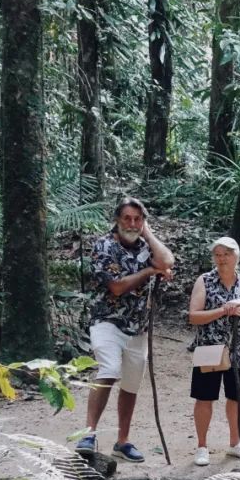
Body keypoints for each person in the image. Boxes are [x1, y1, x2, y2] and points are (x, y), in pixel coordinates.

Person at [76, 197, 175, 462]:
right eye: (127, 218)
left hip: (138, 327)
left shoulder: (145, 246)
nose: (131, 223)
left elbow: (167, 261)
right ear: (117, 220)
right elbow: (117, 287)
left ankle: (122, 441)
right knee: (109, 369)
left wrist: (148, 233)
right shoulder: (104, 245)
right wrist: (149, 272)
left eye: (137, 219)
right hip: (107, 321)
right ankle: (88, 433)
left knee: (131, 384)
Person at [188, 237, 240, 466]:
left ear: (236, 257)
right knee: (204, 398)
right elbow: (193, 316)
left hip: (239, 350)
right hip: (209, 348)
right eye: (218, 255)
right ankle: (202, 446)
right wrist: (223, 310)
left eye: (226, 254)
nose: (222, 259)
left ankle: (235, 443)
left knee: (236, 398)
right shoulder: (205, 281)